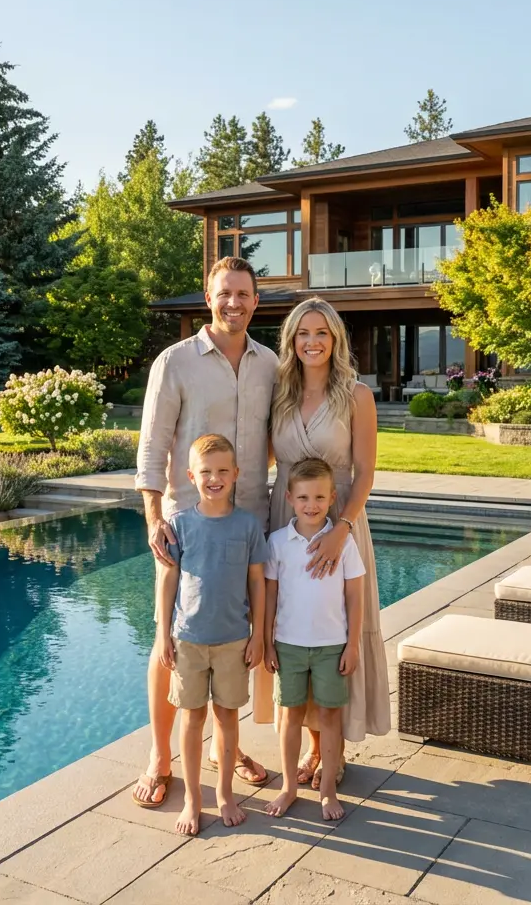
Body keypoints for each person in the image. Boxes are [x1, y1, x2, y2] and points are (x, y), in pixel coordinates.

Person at [133, 256, 278, 807]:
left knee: (232, 636)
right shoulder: (174, 363)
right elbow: (151, 447)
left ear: (256, 301)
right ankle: (159, 753)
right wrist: (153, 518)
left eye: (243, 294)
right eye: (224, 293)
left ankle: (224, 747)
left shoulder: (270, 365)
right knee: (171, 637)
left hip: (248, 524)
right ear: (208, 295)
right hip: (185, 527)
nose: (233, 303)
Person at [253, 296, 390, 785]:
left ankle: (331, 748)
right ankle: (310, 746)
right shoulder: (279, 394)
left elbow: (367, 473)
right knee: (294, 627)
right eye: (303, 334)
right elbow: (263, 458)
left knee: (332, 624)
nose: (312, 342)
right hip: (285, 517)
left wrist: (341, 530)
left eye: (322, 334)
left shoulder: (357, 395)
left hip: (340, 519)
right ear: (291, 341)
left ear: (335, 340)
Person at [153, 434, 266, 835]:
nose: (214, 478)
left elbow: (258, 583)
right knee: (191, 718)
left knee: (227, 717)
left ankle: (224, 794)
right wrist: (161, 634)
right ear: (191, 476)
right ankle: (193, 798)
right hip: (188, 639)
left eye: (222, 471)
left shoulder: (248, 525)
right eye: (206, 472)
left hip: (234, 639)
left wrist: (259, 635)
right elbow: (168, 581)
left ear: (236, 474)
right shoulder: (180, 525)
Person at [264, 458, 364, 821]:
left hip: (331, 646)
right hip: (288, 645)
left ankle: (328, 791)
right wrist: (266, 640)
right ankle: (289, 787)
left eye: (320, 497)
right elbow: (271, 596)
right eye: (304, 497)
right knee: (290, 716)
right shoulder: (277, 543)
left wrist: (352, 644)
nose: (312, 505)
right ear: (289, 497)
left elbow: (355, 596)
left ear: (332, 497)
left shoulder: (343, 543)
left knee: (330, 717)